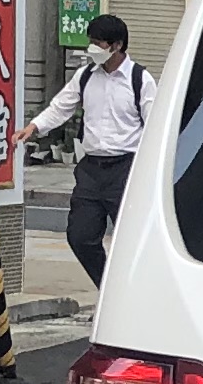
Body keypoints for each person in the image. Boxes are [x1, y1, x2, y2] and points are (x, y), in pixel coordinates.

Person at [29, 15, 154, 285]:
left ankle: (135, 292)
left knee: (131, 240)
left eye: (98, 43)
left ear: (117, 45)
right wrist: (34, 127)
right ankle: (107, 287)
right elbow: (61, 107)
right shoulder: (85, 76)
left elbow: (154, 124)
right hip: (91, 169)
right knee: (80, 236)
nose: (92, 48)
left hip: (126, 168)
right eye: (91, 42)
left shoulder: (140, 80)